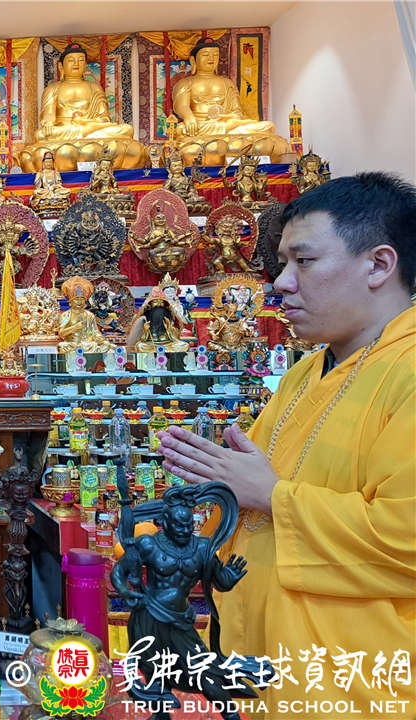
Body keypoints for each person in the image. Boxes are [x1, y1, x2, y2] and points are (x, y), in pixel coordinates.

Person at [157, 173, 415, 719]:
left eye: (304, 261)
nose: (280, 283)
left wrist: (271, 496)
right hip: (269, 664)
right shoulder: (306, 372)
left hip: (357, 682)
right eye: (281, 263)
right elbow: (247, 495)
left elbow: (405, 537)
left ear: (378, 265)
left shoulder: (409, 371)